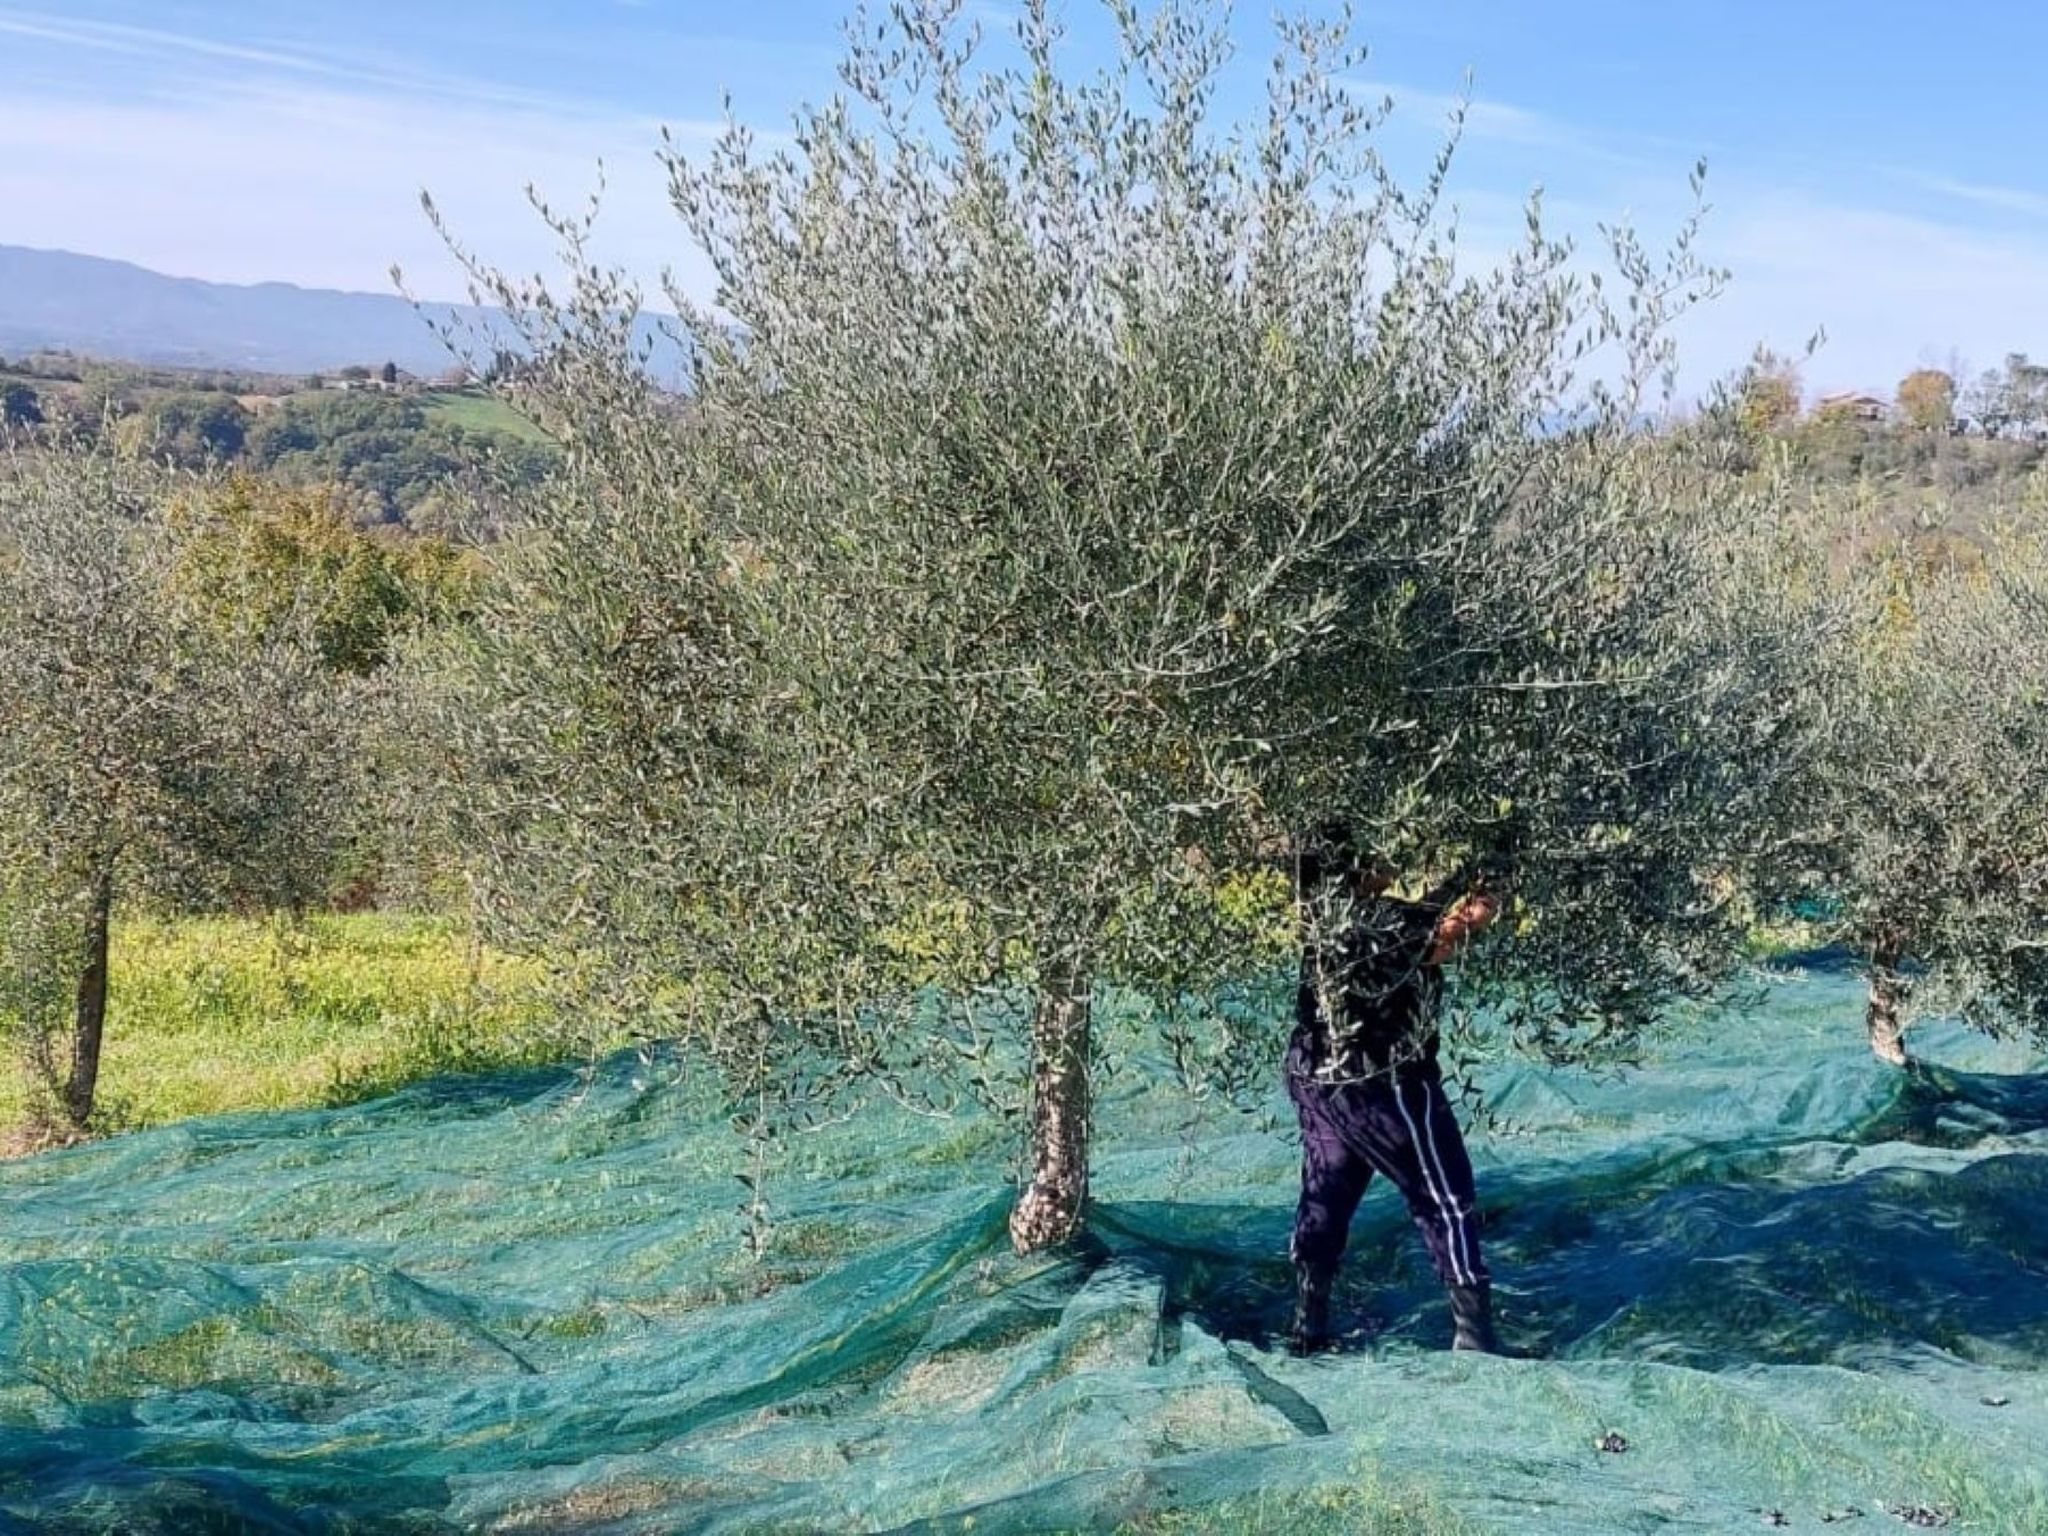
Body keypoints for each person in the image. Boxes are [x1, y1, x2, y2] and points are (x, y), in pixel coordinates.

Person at [1284, 822, 1507, 1354]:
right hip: (1387, 1086)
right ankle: (1474, 1336)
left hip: (1316, 1077)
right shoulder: (1382, 926)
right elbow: (1456, 928)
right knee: (1445, 1196)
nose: (1386, 857)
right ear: (1354, 871)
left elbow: (1428, 914)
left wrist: (1460, 872)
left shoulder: (1324, 921)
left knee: (1326, 1195)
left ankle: (1307, 1323)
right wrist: (1502, 861)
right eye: (1371, 852)